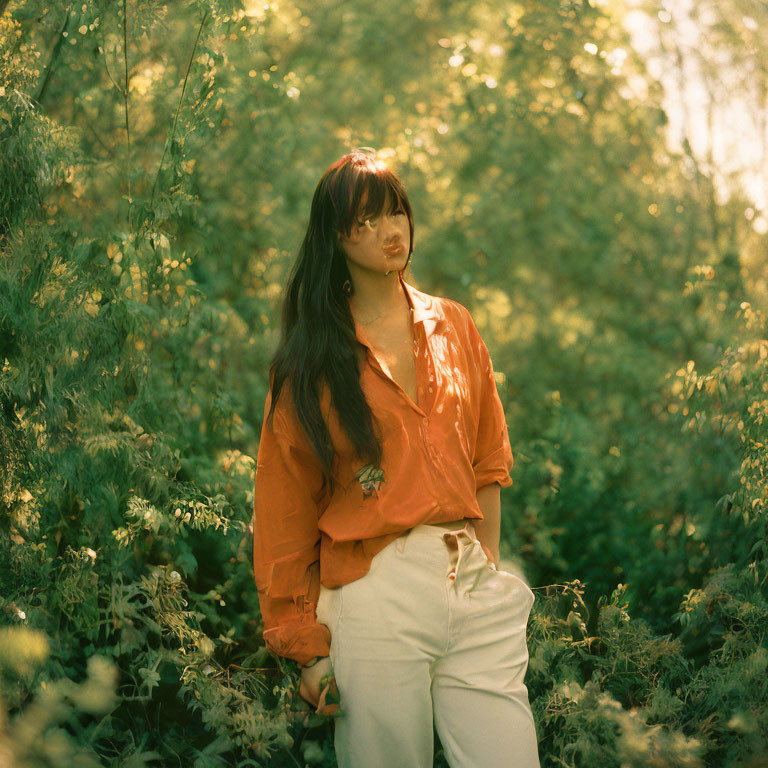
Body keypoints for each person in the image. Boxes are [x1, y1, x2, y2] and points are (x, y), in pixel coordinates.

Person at [252, 147, 540, 768]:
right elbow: (283, 511)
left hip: (468, 579)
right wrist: (308, 649)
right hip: (375, 592)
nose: (390, 230)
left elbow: (488, 462)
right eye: (366, 219)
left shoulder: (455, 325)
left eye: (396, 212)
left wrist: (483, 566)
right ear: (335, 237)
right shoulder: (309, 361)